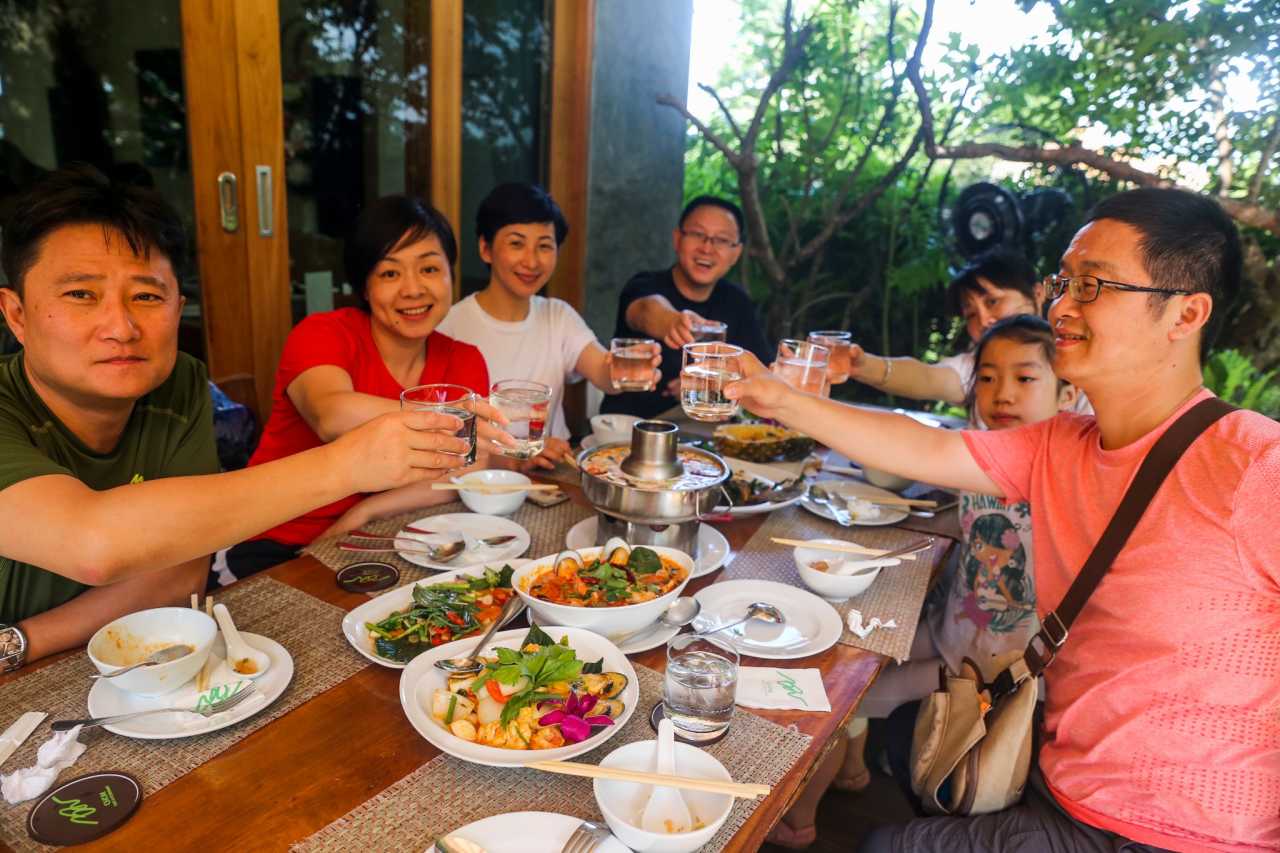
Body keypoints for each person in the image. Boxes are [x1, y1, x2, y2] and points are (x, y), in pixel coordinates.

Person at [727, 187, 1280, 852]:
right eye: (1062, 282)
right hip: (1065, 791)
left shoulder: (1255, 464)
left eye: (1092, 284)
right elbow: (924, 448)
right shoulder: (1059, 445)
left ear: (1185, 313)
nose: (1061, 306)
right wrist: (780, 399)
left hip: (1192, 834)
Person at [0, 166, 469, 669]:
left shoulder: (176, 382)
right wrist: (348, 464)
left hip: (100, 653)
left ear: (178, 306)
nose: (121, 327)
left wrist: (20, 641)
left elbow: (180, 575)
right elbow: (93, 544)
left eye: (146, 296)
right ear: (16, 314)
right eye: (81, 294)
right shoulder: (325, 332)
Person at [767, 315, 1078, 848]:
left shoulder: (1065, 473)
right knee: (845, 655)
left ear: (1068, 395)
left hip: (993, 672)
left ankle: (799, 824)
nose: (1002, 393)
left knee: (842, 695)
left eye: (1025, 378)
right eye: (987, 378)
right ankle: (853, 769)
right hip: (950, 631)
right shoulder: (978, 452)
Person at [216, 195, 513, 584]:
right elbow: (332, 414)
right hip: (272, 538)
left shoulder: (464, 359)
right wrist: (451, 418)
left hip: (377, 533)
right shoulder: (323, 334)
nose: (413, 289)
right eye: (390, 274)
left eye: (429, 268)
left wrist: (364, 512)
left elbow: (465, 469)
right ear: (365, 286)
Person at [437, 183, 655, 469]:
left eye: (544, 246)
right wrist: (515, 458)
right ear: (485, 249)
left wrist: (626, 369)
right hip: (477, 481)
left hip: (550, 475)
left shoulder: (558, 316)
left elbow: (603, 371)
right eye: (516, 244)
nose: (531, 261)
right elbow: (444, 432)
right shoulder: (451, 325)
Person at [600, 195, 771, 419]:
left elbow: (762, 374)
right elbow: (645, 310)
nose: (707, 248)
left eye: (721, 240)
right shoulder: (643, 284)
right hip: (628, 427)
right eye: (698, 234)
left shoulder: (737, 302)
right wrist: (672, 322)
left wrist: (709, 384)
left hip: (703, 432)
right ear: (677, 239)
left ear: (736, 253)